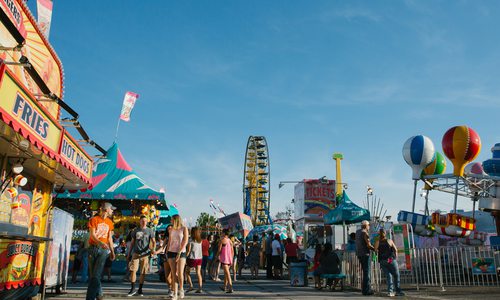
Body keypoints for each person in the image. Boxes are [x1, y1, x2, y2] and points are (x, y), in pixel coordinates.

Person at [86, 202, 116, 300]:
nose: (112, 211)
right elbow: (92, 235)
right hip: (93, 248)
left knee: (96, 274)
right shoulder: (94, 220)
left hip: (103, 250)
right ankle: (99, 295)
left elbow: (110, 238)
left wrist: (112, 251)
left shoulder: (110, 222)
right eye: (112, 209)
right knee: (93, 275)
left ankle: (90, 298)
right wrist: (100, 242)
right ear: (106, 210)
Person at [127, 215, 155, 297]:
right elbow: (132, 243)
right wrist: (129, 253)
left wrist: (153, 250)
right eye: (142, 221)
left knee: (143, 272)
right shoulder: (135, 231)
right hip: (136, 253)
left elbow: (153, 241)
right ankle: (132, 289)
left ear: (147, 222)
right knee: (133, 270)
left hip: (145, 254)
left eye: (145, 221)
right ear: (140, 221)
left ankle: (140, 289)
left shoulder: (150, 231)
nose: (144, 222)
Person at [375, 228, 405, 297]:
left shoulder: (377, 242)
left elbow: (375, 251)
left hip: (382, 260)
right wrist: (395, 258)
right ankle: (398, 291)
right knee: (396, 275)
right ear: (385, 233)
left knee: (389, 276)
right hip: (390, 260)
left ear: (379, 234)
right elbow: (395, 250)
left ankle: (390, 291)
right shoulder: (389, 240)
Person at [167, 215, 189, 300]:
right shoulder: (171, 229)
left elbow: (185, 241)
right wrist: (167, 251)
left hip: (181, 252)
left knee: (180, 273)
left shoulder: (184, 228)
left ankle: (181, 289)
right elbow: (169, 241)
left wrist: (179, 252)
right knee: (173, 273)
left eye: (172, 219)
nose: (171, 221)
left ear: (176, 220)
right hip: (171, 252)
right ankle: (175, 293)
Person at [356, 220, 375, 296]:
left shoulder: (357, 232)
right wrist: (375, 249)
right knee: (367, 273)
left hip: (359, 254)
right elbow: (369, 245)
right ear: (366, 226)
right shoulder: (365, 233)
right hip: (365, 254)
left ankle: (365, 289)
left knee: (364, 272)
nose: (369, 227)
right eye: (368, 225)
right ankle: (366, 290)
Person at [185, 227, 203, 293]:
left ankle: (191, 286)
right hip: (199, 258)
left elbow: (188, 251)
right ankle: (200, 287)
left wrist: (185, 258)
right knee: (198, 273)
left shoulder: (190, 241)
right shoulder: (200, 241)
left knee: (187, 272)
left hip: (192, 258)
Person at [218, 229, 234, 293]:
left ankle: (230, 287)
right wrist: (231, 259)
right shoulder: (230, 241)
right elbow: (232, 251)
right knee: (226, 274)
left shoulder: (222, 240)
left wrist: (216, 257)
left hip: (225, 259)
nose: (221, 233)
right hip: (229, 259)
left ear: (224, 233)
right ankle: (224, 286)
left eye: (222, 232)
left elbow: (219, 250)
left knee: (227, 274)